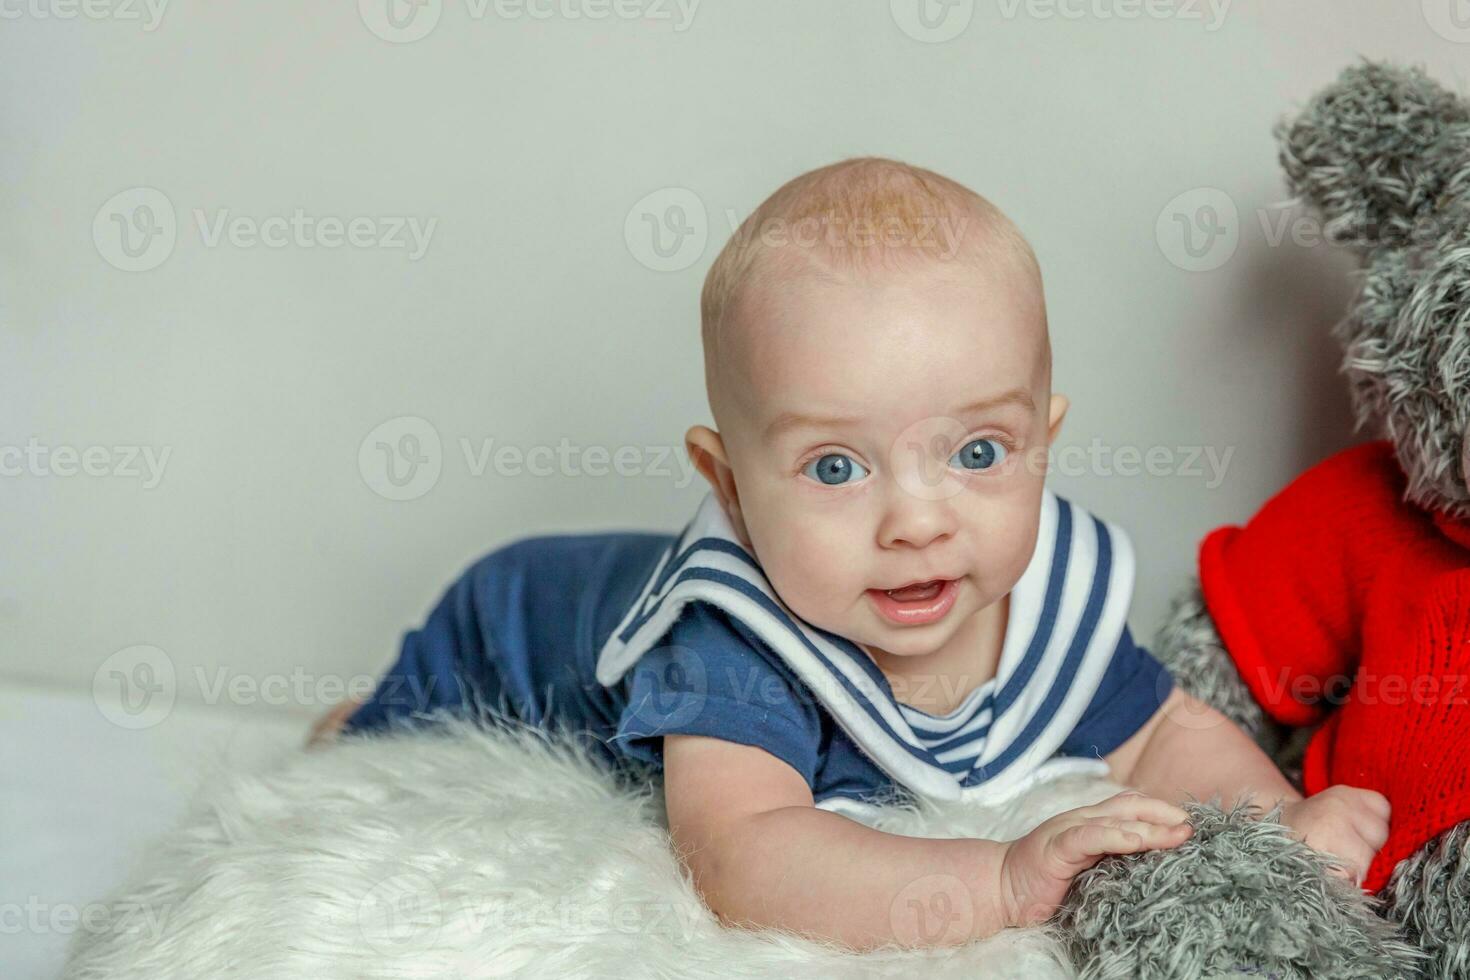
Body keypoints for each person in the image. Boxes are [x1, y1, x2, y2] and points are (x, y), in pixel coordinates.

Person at [309, 157, 1389, 950]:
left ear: (1043, 442)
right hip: (504, 625)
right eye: (835, 467)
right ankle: (362, 707)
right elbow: (745, 853)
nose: (917, 520)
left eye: (976, 450)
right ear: (728, 483)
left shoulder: (1034, 593)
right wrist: (1001, 876)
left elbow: (1165, 732)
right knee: (370, 743)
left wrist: (1278, 822)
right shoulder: (732, 644)